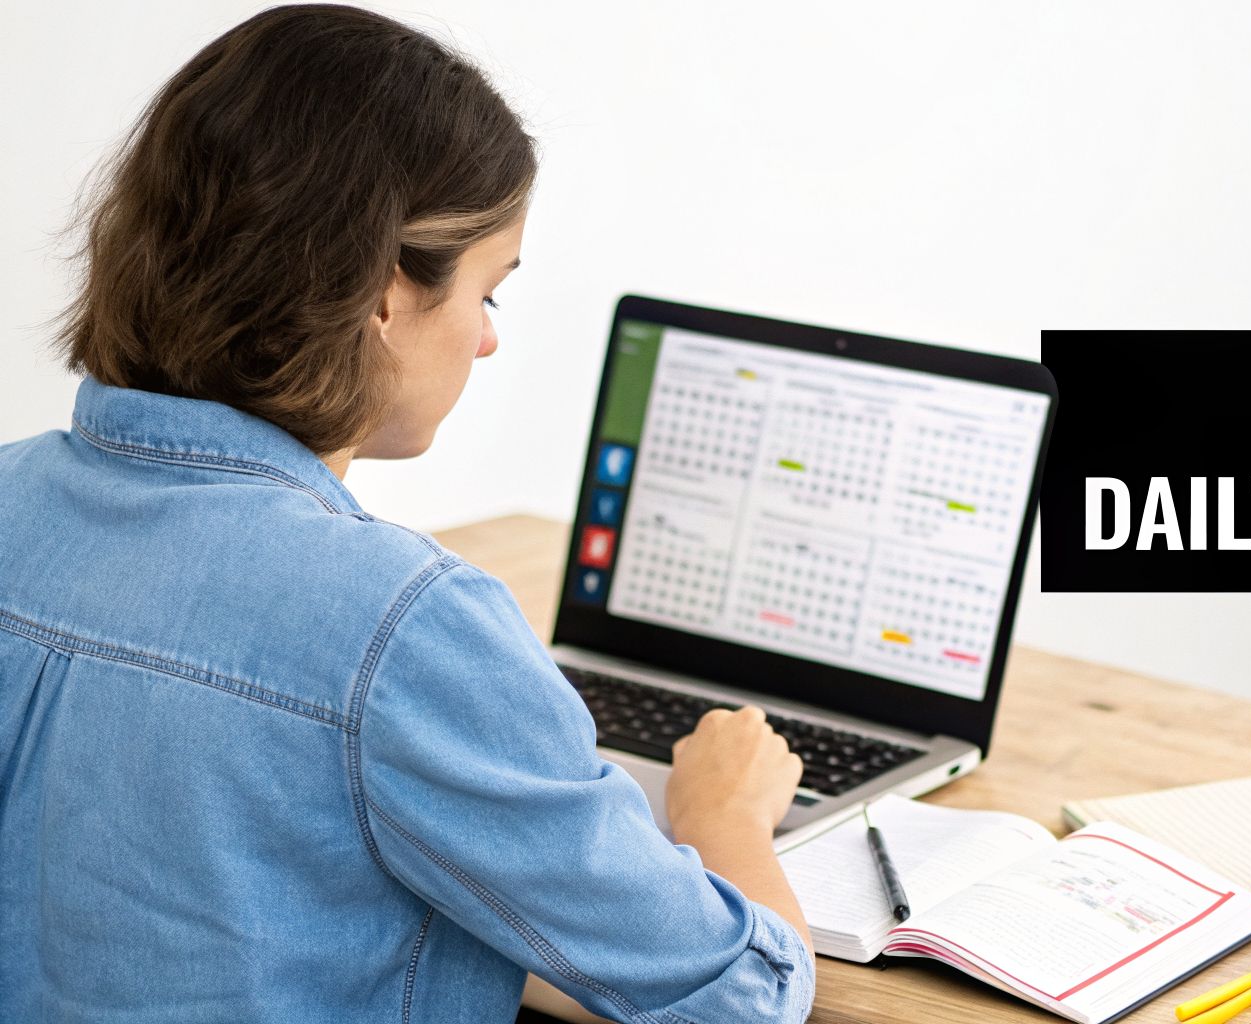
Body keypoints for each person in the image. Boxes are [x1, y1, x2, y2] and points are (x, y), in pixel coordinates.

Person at [0, 6, 814, 1023]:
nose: (484, 343)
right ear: (384, 294)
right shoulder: (398, 625)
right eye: (489, 293)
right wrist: (724, 817)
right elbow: (742, 997)